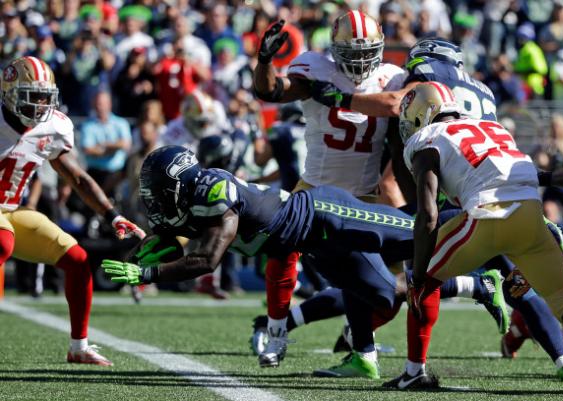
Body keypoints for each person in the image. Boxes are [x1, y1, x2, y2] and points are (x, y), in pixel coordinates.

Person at [311, 37, 563, 381]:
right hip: (508, 199)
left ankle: (368, 352)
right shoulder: (483, 92)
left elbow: (399, 112)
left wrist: (337, 97)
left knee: (382, 264)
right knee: (518, 282)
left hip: (455, 207)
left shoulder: (425, 94)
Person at [102, 145, 418, 378]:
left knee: (419, 233)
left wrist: (147, 274)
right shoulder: (184, 203)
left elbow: (207, 260)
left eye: (158, 190)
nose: (153, 198)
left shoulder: (213, 193)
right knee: (382, 294)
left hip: (325, 214)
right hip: (311, 246)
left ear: (179, 184)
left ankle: (466, 256)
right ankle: (363, 357)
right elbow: (162, 243)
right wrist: (134, 257)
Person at [387, 82, 563, 389]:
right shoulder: (494, 129)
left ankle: (414, 372)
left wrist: (420, 273)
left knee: (424, 283)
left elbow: (428, 216)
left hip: (487, 216)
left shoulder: (426, 138)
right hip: (532, 217)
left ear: (418, 115)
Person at [252, 12, 408, 373]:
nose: (358, 61)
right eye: (349, 53)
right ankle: (276, 332)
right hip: (315, 188)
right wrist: (264, 62)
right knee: (281, 251)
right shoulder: (315, 67)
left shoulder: (392, 77)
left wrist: (339, 97)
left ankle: (360, 343)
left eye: (366, 51)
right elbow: (271, 91)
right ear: (332, 49)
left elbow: (395, 104)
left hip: (365, 198)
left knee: (388, 287)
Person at [0, 56, 144, 365]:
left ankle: (79, 347)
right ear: (10, 93)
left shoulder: (53, 127)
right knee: (3, 240)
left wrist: (112, 215)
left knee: (78, 260)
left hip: (10, 209)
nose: (40, 105)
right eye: (32, 96)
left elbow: (78, 177)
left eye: (44, 97)